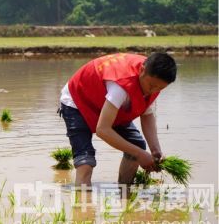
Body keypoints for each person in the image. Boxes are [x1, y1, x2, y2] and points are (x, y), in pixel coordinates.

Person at [59, 52, 177, 186]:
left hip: (105, 102)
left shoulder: (154, 76)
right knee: (85, 162)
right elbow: (103, 130)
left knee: (136, 145)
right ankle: (82, 204)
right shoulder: (121, 86)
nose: (153, 90)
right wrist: (140, 154)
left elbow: (147, 114)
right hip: (78, 101)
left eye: (159, 88)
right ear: (142, 70)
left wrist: (155, 150)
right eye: (151, 86)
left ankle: (125, 194)